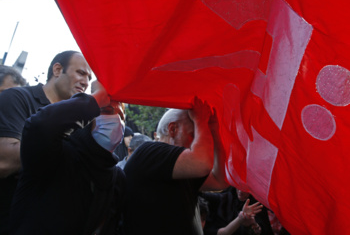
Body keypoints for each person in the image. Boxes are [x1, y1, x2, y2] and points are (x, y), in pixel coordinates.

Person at [9, 81, 126, 234]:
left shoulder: (116, 178)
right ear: (87, 118)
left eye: (121, 116)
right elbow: (40, 126)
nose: (115, 119)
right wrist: (96, 98)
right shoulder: (55, 154)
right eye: (108, 110)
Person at [0, 50, 91, 234]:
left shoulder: (79, 123)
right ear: (57, 70)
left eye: (89, 77)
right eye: (81, 73)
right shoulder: (17, 98)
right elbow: (5, 161)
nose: (86, 82)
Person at [123, 97, 229, 235]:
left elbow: (221, 181)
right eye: (194, 135)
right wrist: (200, 120)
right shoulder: (149, 151)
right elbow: (202, 163)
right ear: (172, 129)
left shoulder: (182, 168)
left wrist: (214, 131)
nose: (200, 141)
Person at [201, 187, 273, 235]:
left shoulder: (224, 198)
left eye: (244, 187)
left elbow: (262, 229)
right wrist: (241, 218)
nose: (241, 191)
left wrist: (255, 225)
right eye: (239, 186)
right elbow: (223, 233)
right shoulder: (205, 228)